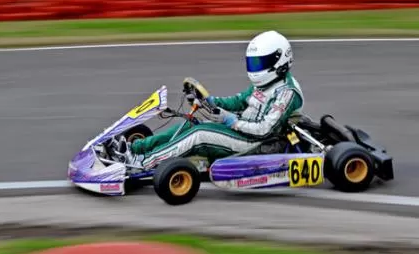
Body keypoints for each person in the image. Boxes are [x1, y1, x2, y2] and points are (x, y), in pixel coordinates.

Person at [110, 30, 304, 169]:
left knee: (200, 133)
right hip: (243, 131)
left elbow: (264, 130)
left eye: (259, 63)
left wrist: (232, 121)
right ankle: (132, 149)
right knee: (190, 125)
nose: (254, 68)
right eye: (253, 62)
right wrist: (210, 100)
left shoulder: (287, 93)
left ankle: (141, 162)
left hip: (259, 143)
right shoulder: (264, 83)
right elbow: (237, 102)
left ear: (279, 60)